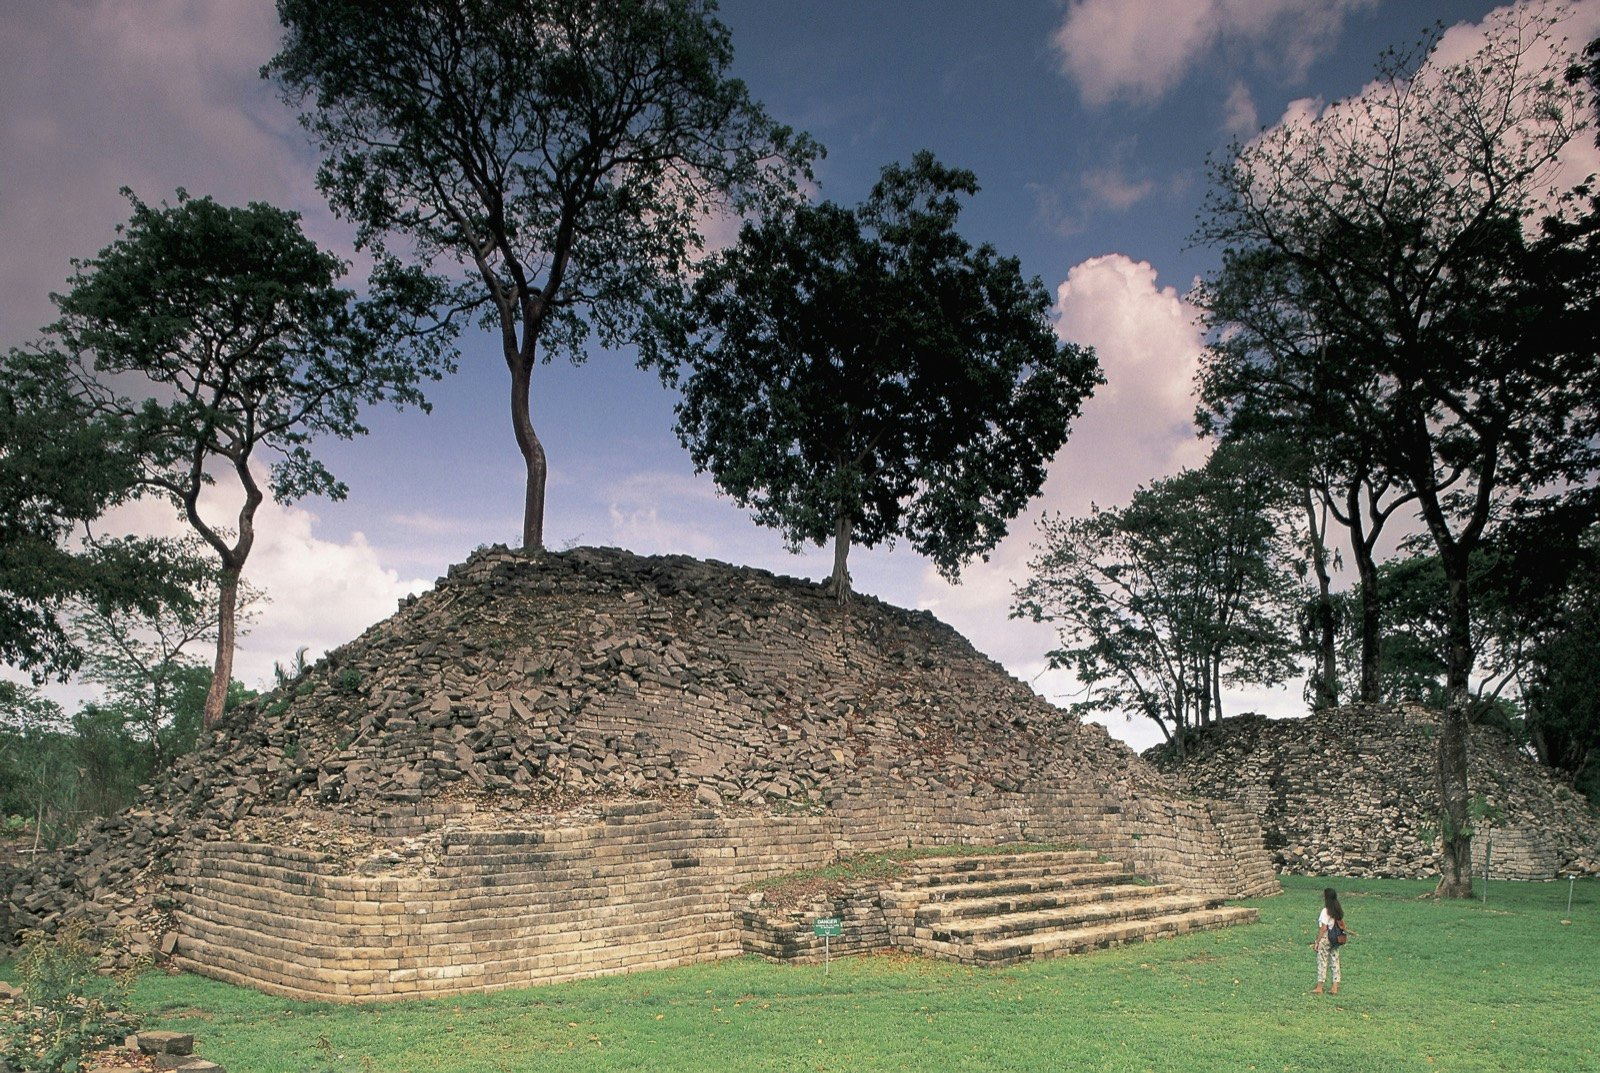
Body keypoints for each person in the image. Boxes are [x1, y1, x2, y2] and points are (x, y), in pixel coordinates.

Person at [1310, 886, 1349, 994]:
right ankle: (1335, 986)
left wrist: (1317, 941)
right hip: (1335, 938)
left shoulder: (1325, 911)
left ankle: (1319, 987)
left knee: (1322, 961)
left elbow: (1323, 928)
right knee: (1335, 961)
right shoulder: (1337, 910)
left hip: (1326, 937)